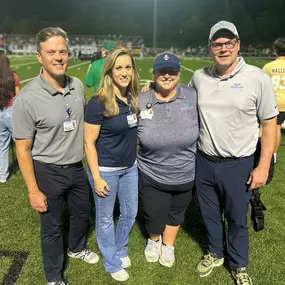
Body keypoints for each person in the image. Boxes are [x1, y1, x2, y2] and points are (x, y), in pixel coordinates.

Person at [191, 21, 278, 285]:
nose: (223, 48)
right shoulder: (199, 77)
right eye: (218, 44)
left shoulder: (257, 78)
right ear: (210, 48)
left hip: (239, 163)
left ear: (238, 45)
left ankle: (239, 264)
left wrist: (263, 165)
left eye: (229, 43)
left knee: (236, 218)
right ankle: (215, 253)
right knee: (208, 214)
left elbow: (270, 124)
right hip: (204, 160)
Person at [12, 27, 99, 285]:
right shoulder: (27, 98)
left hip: (75, 167)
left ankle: (76, 247)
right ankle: (53, 276)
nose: (59, 57)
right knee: (51, 228)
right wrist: (33, 190)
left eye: (62, 51)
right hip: (48, 170)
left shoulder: (78, 86)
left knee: (83, 213)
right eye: (51, 52)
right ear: (40, 56)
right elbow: (22, 149)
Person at [138, 53, 198, 268]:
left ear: (179, 73)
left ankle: (168, 244)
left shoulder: (192, 95)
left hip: (185, 172)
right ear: (154, 74)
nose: (167, 75)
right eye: (162, 71)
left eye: (172, 71)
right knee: (154, 214)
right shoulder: (142, 98)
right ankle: (154, 240)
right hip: (151, 172)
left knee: (176, 212)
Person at [84, 48, 139, 282]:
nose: (124, 72)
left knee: (130, 213)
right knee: (105, 219)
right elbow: (88, 141)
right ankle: (110, 261)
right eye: (119, 67)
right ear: (109, 70)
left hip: (130, 168)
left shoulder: (133, 98)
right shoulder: (98, 103)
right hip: (106, 170)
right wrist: (96, 177)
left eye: (128, 67)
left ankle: (120, 249)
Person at [262, 37, 285, 163]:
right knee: (278, 128)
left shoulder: (269, 66)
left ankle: (268, 153)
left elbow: (262, 86)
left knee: (270, 127)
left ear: (275, 50)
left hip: (274, 102)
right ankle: (274, 154)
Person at [0, 54, 20, 183]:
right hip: (11, 111)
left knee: (2, 145)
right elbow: (19, 96)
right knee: (20, 143)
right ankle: (27, 169)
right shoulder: (13, 76)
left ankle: (2, 175)